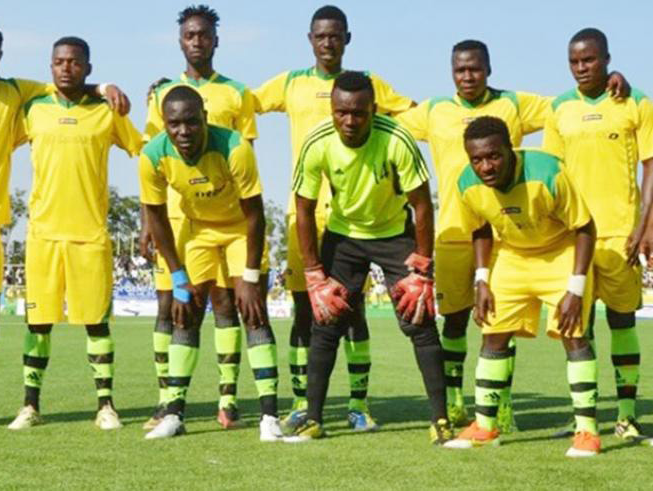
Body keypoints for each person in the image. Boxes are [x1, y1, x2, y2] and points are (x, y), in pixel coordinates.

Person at [395, 39, 629, 430]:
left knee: (504, 323)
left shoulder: (516, 104)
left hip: (508, 236)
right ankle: (455, 402)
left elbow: (566, 104)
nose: (467, 76)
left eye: (475, 69)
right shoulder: (434, 111)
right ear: (452, 72)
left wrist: (608, 82)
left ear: (489, 69)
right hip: (455, 229)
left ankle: (500, 406)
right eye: (460, 70)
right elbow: (388, 119)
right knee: (454, 321)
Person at [0, 21, 130, 433]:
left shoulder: (21, 94)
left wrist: (103, 87)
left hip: (16, 226)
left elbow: (75, 95)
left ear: (1, 55)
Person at [253, 5, 414, 432]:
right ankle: (303, 402)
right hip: (304, 215)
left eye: (336, 35)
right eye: (321, 36)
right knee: (306, 312)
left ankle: (359, 405)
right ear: (310, 39)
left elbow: (415, 112)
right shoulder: (291, 83)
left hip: (355, 218)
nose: (328, 42)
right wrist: (167, 88)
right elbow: (239, 102)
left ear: (347, 38)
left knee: (353, 312)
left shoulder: (367, 86)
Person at [287, 71, 449, 444]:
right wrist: (313, 273)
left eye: (358, 113)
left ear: (373, 110)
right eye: (341, 112)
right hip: (344, 237)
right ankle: (313, 418)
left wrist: (422, 266)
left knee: (420, 321)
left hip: (394, 234)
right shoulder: (318, 143)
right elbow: (304, 209)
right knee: (325, 323)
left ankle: (440, 419)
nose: (349, 121)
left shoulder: (397, 139)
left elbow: (422, 205)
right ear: (331, 109)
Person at [6, 36, 142, 431]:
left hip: (90, 235)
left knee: (96, 323)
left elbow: (143, 150)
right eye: (59, 62)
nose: (66, 68)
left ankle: (106, 405)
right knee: (38, 325)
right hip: (43, 236)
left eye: (75, 62)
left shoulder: (107, 112)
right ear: (50, 67)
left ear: (88, 67)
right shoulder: (34, 109)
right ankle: (30, 406)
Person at [445, 116, 600, 458]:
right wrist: (482, 279)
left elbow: (586, 227)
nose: (485, 166)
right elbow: (481, 228)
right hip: (513, 255)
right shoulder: (467, 183)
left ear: (509, 150)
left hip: (561, 251)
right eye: (477, 159)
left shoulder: (548, 172)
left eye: (494, 156)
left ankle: (587, 432)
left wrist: (575, 287)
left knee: (573, 334)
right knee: (493, 333)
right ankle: (485, 427)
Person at [139, 86, 282, 442]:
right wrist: (176, 275)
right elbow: (156, 218)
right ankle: (173, 412)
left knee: (253, 311)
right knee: (184, 309)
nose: (183, 132)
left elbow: (255, 215)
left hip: (238, 229)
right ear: (165, 125)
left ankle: (269, 418)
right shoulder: (152, 155)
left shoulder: (235, 147)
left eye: (191, 122)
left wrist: (249, 277)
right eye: (174, 124)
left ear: (205, 118)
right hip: (197, 231)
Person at [140, 4, 259, 430]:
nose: (197, 42)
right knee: (172, 306)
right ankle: (166, 399)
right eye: (190, 35)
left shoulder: (236, 93)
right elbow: (150, 160)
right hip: (174, 220)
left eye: (204, 35)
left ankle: (228, 399)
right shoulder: (161, 93)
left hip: (223, 215)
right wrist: (145, 224)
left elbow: (243, 158)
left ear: (215, 40)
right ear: (180, 40)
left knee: (227, 304)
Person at [543, 28, 653, 441]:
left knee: (623, 322)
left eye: (588, 60)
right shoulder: (559, 108)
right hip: (574, 237)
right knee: (577, 327)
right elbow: (552, 177)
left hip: (620, 233)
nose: (580, 68)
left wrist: (646, 224)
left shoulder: (635, 102)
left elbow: (651, 166)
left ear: (606, 59)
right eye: (574, 61)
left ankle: (626, 416)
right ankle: (582, 418)